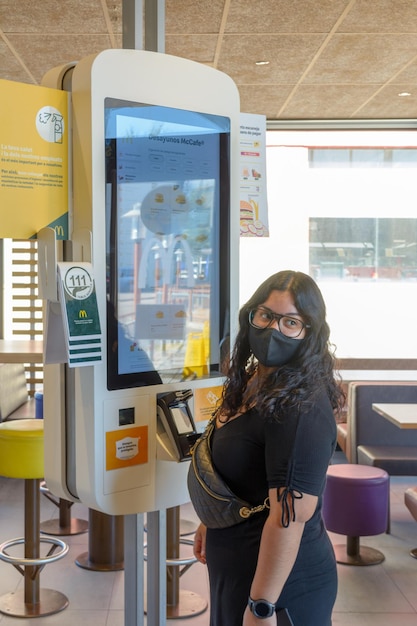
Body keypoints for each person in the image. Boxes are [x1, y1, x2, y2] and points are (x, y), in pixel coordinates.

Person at [192, 270, 345, 626]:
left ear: (309, 333)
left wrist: (261, 606)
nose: (273, 329)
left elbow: (287, 518)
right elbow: (241, 471)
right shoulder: (254, 379)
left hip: (281, 588)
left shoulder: (300, 404)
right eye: (265, 315)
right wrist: (212, 518)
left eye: (290, 322)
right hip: (238, 568)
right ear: (251, 315)